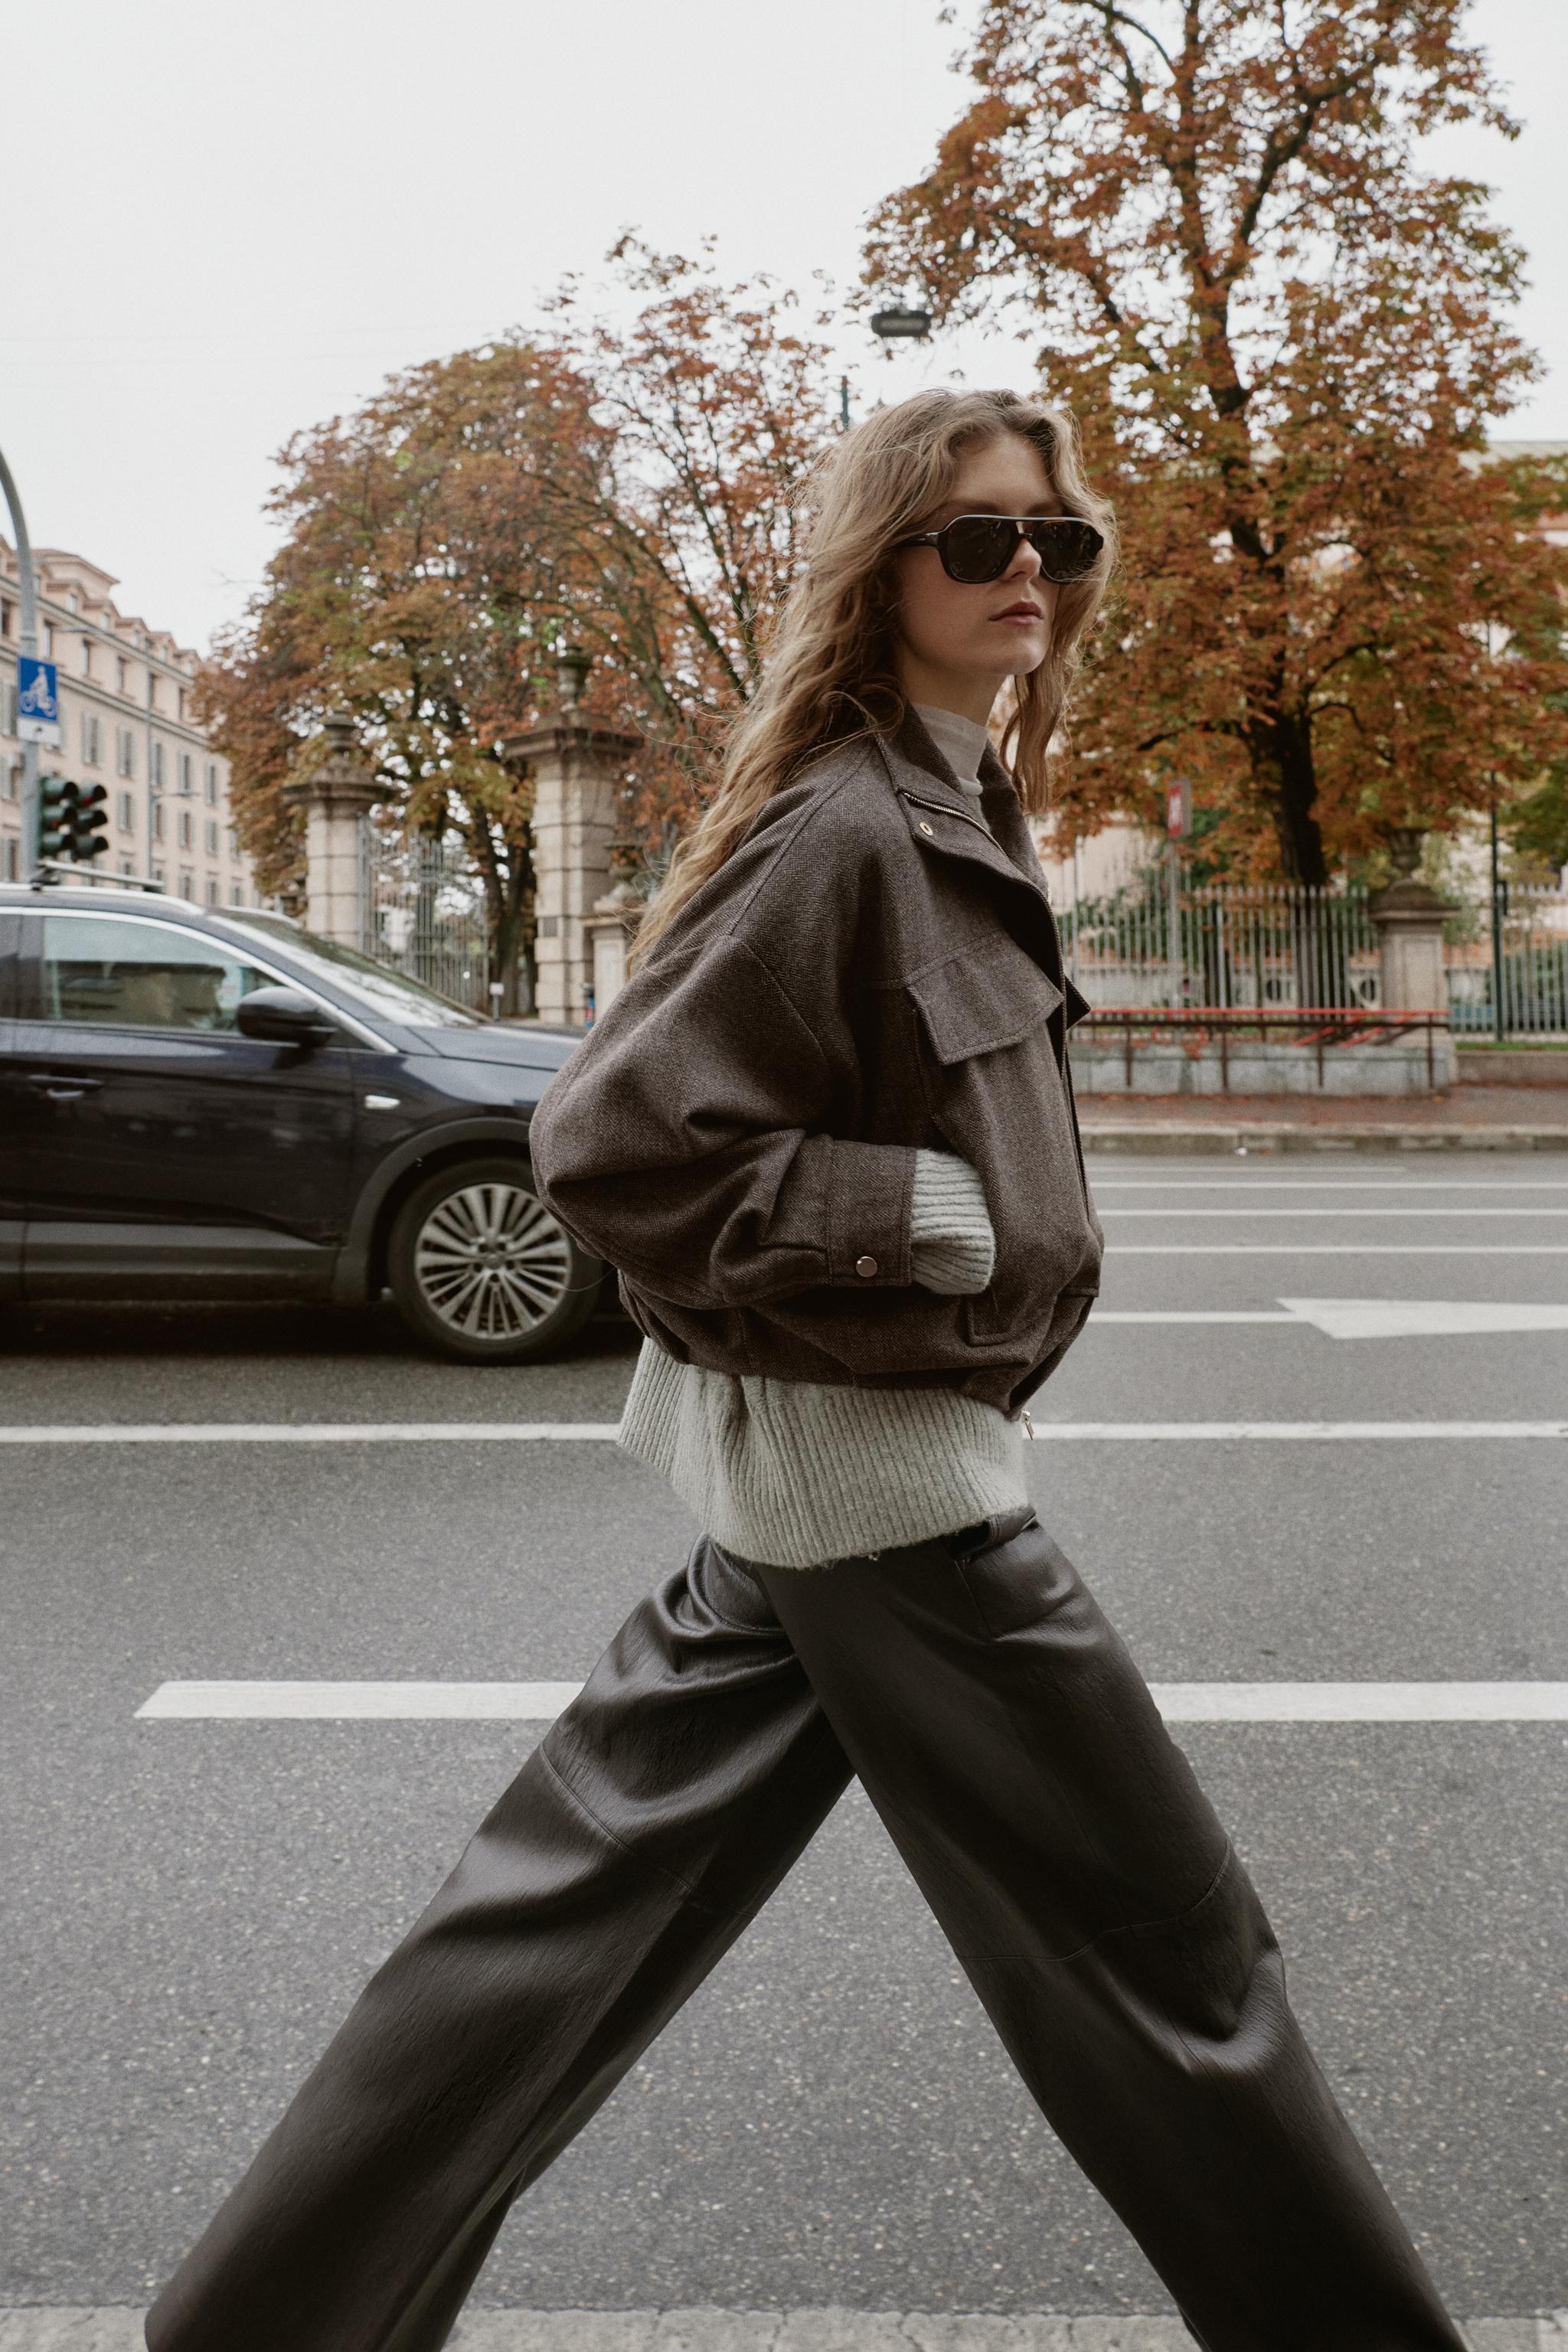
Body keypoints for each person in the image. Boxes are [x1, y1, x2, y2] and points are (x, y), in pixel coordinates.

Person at [142, 389, 1467, 2352]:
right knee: (1181, 1985)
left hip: (803, 1510)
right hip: (898, 1507)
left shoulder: (949, 794)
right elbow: (610, 1134)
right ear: (881, 570)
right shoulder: (849, 821)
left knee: (538, 1944)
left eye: (1057, 541)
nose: (1029, 572)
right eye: (977, 541)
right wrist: (910, 1221)